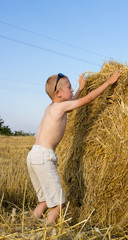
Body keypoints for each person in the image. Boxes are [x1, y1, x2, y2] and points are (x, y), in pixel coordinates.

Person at [26, 70, 121, 224]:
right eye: (69, 87)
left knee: (44, 201)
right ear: (58, 93)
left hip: (33, 156)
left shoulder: (52, 107)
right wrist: (109, 82)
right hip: (44, 157)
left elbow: (70, 107)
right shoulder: (59, 108)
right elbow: (88, 99)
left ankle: (29, 226)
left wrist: (80, 89)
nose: (71, 89)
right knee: (58, 204)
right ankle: (48, 232)